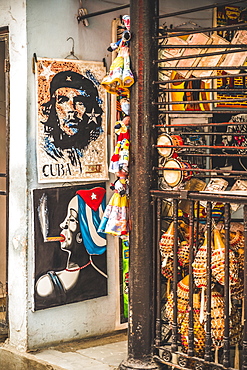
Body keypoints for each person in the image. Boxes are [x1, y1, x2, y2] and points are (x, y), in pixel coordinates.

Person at [35, 187, 107, 309]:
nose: (62, 224)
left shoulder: (48, 284)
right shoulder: (101, 278)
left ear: (81, 236)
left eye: (71, 219)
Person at [41, 71, 104, 159]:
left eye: (80, 102)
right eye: (63, 101)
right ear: (52, 106)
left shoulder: (94, 150)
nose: (72, 110)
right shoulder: (47, 148)